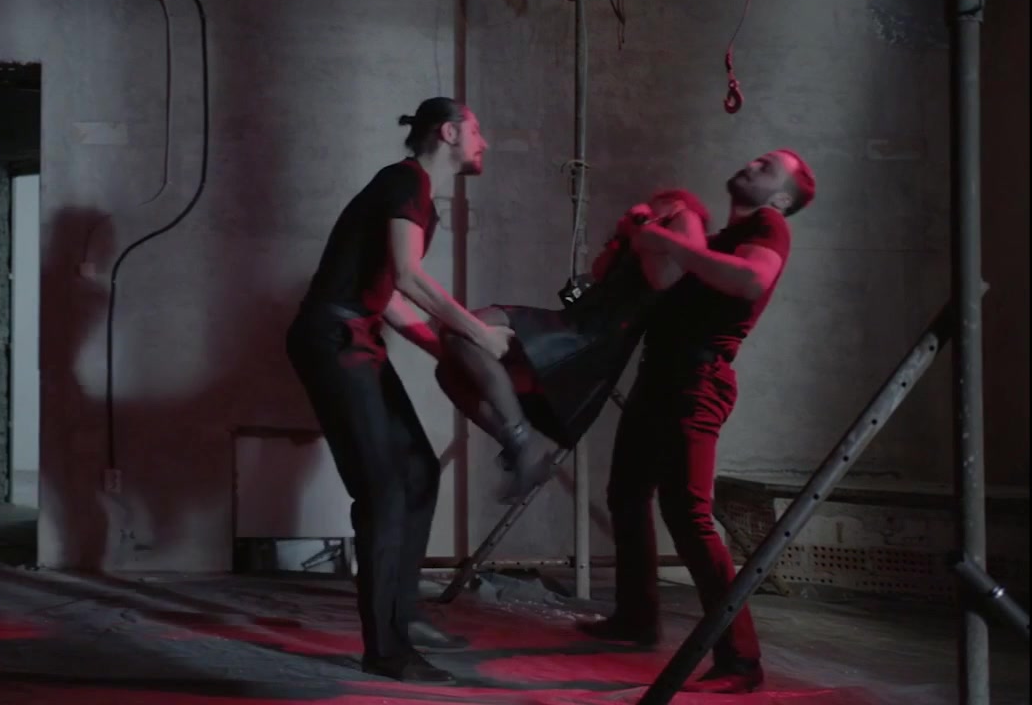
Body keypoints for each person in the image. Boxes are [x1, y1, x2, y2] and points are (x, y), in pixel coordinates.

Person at [286, 97, 536, 683]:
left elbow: (392, 298)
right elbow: (408, 276)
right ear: (449, 132)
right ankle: (386, 649)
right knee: (383, 492)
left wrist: (451, 353)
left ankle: (401, 614)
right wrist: (477, 333)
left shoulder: (417, 193)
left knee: (420, 472)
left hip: (356, 336)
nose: (484, 143)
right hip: (333, 339)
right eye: (477, 131)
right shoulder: (405, 182)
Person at [579, 149, 815, 695]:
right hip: (661, 374)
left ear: (781, 198)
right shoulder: (717, 240)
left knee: (688, 514)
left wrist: (669, 242)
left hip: (698, 379)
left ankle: (740, 661)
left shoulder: (768, 225)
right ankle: (637, 619)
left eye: (767, 167)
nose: (752, 164)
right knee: (626, 494)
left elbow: (752, 280)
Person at [434, 190, 707, 500]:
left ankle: (520, 439)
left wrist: (643, 229)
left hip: (594, 337)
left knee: (460, 334)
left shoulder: (684, 218)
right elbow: (596, 275)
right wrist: (621, 239)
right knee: (450, 366)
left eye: (660, 202)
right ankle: (520, 441)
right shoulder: (644, 230)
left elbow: (665, 277)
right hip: (572, 321)